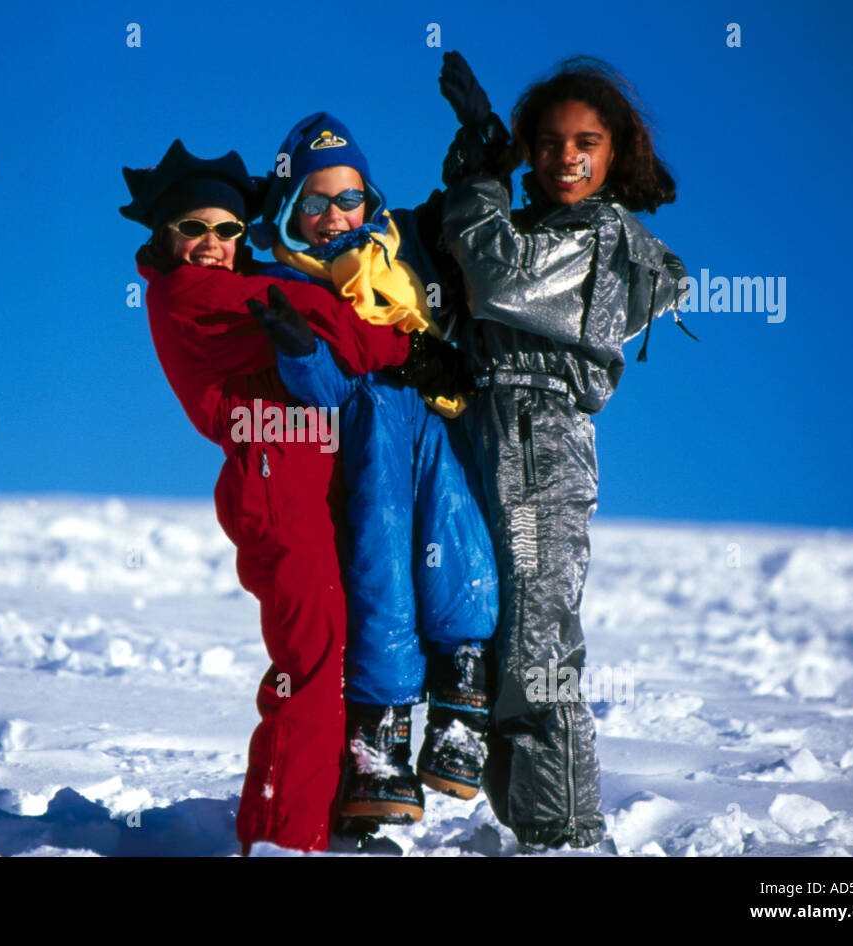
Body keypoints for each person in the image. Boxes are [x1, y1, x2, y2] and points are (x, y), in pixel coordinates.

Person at [120, 139, 416, 854]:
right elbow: (336, 328)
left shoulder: (244, 287)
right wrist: (406, 343)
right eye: (195, 228)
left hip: (313, 476)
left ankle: (334, 811)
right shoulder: (190, 294)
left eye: (226, 230)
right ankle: (283, 835)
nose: (214, 244)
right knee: (310, 662)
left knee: (342, 647)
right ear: (166, 235)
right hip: (275, 486)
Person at [436, 51, 691, 850]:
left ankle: (566, 833)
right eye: (545, 142)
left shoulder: (601, 236)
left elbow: (493, 273)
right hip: (487, 430)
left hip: (541, 447)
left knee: (537, 648)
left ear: (618, 153)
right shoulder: (539, 226)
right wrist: (471, 166)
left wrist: (480, 178)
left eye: (587, 140)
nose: (565, 157)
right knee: (486, 629)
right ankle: (529, 823)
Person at [246, 113, 500, 828]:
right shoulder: (293, 284)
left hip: (438, 424)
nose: (334, 217)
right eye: (315, 203)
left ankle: (462, 704)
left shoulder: (400, 254)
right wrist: (297, 349)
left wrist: (482, 156)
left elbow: (467, 233)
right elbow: (325, 389)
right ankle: (378, 741)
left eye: (348, 198)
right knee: (382, 574)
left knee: (461, 549)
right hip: (372, 444)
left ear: (371, 200)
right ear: (290, 211)